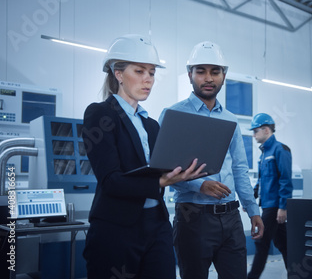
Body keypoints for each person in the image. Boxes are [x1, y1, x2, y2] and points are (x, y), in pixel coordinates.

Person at [82, 34, 206, 279]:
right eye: (139, 71)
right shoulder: (100, 114)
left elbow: (159, 169)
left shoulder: (152, 125)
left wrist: (182, 172)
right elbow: (111, 181)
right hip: (116, 228)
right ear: (118, 74)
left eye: (151, 73)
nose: (148, 79)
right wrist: (161, 182)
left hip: (157, 225)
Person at [158, 41, 264, 279]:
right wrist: (199, 185)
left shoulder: (230, 119)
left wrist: (252, 209)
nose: (208, 78)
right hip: (193, 217)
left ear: (223, 76)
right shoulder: (173, 114)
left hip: (232, 219)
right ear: (189, 75)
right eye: (201, 71)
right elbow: (163, 169)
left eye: (215, 72)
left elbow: (239, 168)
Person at [247, 113, 293, 279]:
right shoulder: (264, 154)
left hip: (274, 207)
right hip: (266, 204)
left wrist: (283, 206)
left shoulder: (280, 150)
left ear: (266, 130)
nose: (254, 135)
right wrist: (250, 197)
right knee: (284, 244)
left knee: (261, 243)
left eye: (255, 131)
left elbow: (285, 180)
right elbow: (261, 181)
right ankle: (295, 274)